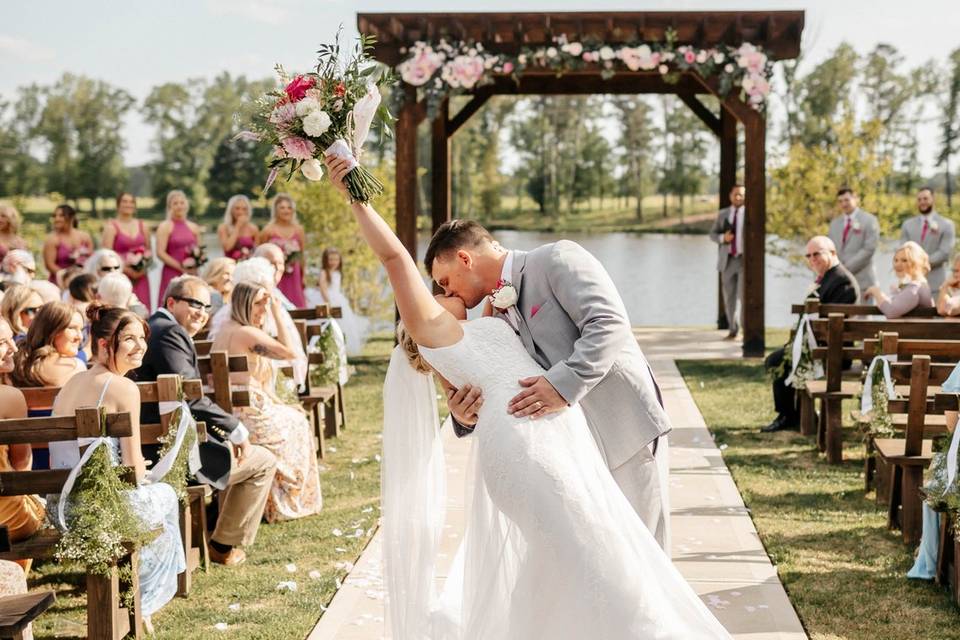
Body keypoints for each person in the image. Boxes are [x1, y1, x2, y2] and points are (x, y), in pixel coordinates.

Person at [326, 155, 730, 639]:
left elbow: (609, 327)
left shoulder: (555, 259)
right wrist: (354, 193)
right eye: (432, 289)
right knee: (605, 559)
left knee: (624, 553)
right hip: (533, 450)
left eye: (444, 280)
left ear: (465, 257)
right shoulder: (441, 326)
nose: (442, 289)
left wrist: (556, 388)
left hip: (615, 431)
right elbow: (396, 263)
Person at [50, 303, 185, 630]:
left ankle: (140, 592)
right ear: (103, 344)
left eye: (143, 338)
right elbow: (134, 471)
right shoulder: (123, 387)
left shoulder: (72, 382)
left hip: (61, 509)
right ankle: (146, 599)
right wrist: (148, 473)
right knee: (166, 494)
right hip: (99, 509)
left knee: (154, 503)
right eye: (129, 339)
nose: (140, 347)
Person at [137, 275, 277, 566]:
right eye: (194, 304)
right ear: (171, 302)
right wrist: (235, 428)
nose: (202, 312)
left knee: (235, 451)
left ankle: (215, 530)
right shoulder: (169, 333)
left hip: (158, 447)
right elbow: (188, 394)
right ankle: (223, 545)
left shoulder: (156, 328)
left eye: (206, 306)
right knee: (263, 461)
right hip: (166, 457)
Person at [211, 281, 322, 522]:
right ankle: (286, 500)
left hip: (235, 409)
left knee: (293, 415)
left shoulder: (226, 329)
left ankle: (273, 499)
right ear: (244, 303)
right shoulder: (246, 333)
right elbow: (291, 354)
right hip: (248, 413)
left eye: (266, 302)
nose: (263, 308)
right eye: (259, 302)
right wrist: (277, 314)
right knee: (299, 423)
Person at [762, 236, 859, 433]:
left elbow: (833, 324)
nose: (812, 259)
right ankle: (792, 414)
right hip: (820, 346)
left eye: (817, 254)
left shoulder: (842, 281)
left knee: (775, 360)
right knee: (779, 358)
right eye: (808, 255)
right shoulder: (829, 277)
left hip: (834, 353)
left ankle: (789, 415)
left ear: (832, 253)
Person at [0, 317, 45, 573]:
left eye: (11, 340)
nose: (14, 348)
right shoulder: (10, 398)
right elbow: (22, 464)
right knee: (32, 512)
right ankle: (14, 592)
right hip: (6, 515)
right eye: (2, 342)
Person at [305, 246, 370, 356]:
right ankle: (323, 345)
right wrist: (328, 303)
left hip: (338, 298)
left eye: (336, 259)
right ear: (325, 260)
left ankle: (340, 346)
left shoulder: (338, 273)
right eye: (331, 259)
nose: (333, 262)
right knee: (325, 322)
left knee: (344, 323)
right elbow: (323, 289)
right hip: (327, 299)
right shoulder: (324, 272)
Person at [12, 302, 86, 388]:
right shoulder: (76, 367)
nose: (80, 337)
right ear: (52, 330)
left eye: (81, 329)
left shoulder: (14, 364)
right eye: (72, 328)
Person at [101, 192, 153, 311]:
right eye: (124, 201)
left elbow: (149, 252)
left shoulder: (142, 226)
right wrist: (126, 269)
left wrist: (142, 270)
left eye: (131, 202)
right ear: (118, 205)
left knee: (142, 310)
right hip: (120, 276)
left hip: (141, 277)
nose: (128, 204)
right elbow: (106, 255)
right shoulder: (111, 227)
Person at [900, 187, 956, 296]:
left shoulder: (947, 225)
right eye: (919, 199)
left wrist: (919, 264)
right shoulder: (907, 225)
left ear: (933, 199)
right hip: (911, 283)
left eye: (925, 198)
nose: (922, 202)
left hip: (936, 284)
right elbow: (903, 250)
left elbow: (944, 253)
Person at [827, 187, 878, 300]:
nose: (843, 204)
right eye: (840, 201)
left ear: (856, 199)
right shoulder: (834, 224)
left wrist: (844, 269)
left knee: (862, 317)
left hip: (863, 281)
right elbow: (829, 249)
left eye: (846, 200)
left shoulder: (870, 220)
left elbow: (869, 249)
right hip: (839, 284)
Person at [708, 184, 746, 340]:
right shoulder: (723, 214)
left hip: (745, 261)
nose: (738, 197)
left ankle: (746, 330)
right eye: (735, 194)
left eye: (741, 195)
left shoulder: (750, 214)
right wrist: (723, 238)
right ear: (730, 195)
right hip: (727, 261)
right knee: (729, 297)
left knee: (744, 297)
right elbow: (712, 234)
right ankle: (733, 329)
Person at [258, 193, 306, 307]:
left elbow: (302, 255)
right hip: (275, 274)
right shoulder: (268, 231)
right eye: (282, 207)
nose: (286, 211)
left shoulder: (299, 230)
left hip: (294, 273)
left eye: (289, 207)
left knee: (297, 302)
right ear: (276, 210)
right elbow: (260, 255)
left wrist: (304, 276)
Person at [864, 241, 934, 318]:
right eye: (896, 260)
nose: (897, 264)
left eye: (904, 260)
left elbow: (891, 311)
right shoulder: (916, 285)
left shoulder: (915, 287)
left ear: (917, 263)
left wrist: (876, 292)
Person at [156, 190, 203, 303]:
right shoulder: (165, 226)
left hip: (192, 273)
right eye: (175, 203)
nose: (179, 206)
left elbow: (199, 251)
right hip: (172, 273)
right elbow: (160, 253)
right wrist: (180, 267)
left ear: (186, 205)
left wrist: (196, 267)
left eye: (182, 203)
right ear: (169, 206)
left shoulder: (194, 227)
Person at [43, 204, 93, 287]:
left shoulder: (85, 237)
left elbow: (91, 260)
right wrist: (67, 277)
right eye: (55, 216)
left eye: (61, 215)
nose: (56, 219)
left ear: (72, 218)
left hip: (83, 282)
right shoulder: (52, 239)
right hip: (59, 283)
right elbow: (49, 265)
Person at [218, 195, 258, 261]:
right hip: (230, 266)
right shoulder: (223, 228)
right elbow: (227, 248)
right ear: (231, 210)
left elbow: (257, 251)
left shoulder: (253, 228)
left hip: (249, 265)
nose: (240, 212)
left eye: (244, 209)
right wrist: (237, 226)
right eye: (237, 208)